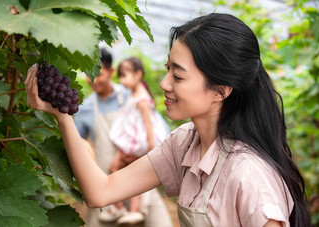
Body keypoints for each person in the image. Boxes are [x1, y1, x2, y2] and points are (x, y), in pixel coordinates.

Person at [25, 13, 311, 227]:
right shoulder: (185, 143)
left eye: (177, 75)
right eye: (167, 69)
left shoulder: (249, 176)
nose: (163, 83)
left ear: (220, 91)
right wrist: (63, 117)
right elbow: (101, 192)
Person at [72, 48, 172, 227]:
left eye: (98, 73)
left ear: (111, 72)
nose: (92, 79)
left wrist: (143, 154)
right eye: (88, 74)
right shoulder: (84, 108)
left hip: (140, 180)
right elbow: (77, 145)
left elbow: (159, 129)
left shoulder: (130, 95)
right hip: (106, 186)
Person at [108, 57, 170, 225]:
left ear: (138, 74)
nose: (122, 80)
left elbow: (148, 126)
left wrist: (151, 148)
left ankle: (124, 207)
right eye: (120, 76)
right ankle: (123, 207)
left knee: (119, 170)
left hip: (136, 143)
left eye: (125, 75)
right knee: (125, 173)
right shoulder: (136, 93)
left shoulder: (141, 98)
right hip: (133, 141)